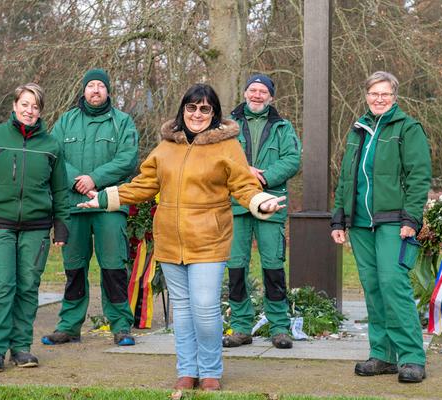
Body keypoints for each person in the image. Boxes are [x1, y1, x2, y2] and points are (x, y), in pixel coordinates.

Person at [77, 83, 286, 391]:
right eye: (192, 107)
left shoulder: (227, 146)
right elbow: (143, 185)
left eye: (205, 109)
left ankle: (211, 370)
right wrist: (106, 199)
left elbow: (244, 186)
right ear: (183, 110)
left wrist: (260, 202)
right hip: (171, 242)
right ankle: (187, 370)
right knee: (183, 312)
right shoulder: (166, 146)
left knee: (204, 309)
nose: (197, 114)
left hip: (209, 241)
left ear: (213, 113)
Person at [330, 71, 431, 383]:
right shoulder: (357, 129)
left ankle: (412, 358)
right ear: (366, 95)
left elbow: (418, 176)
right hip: (360, 223)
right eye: (374, 93)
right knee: (373, 288)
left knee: (393, 284)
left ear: (394, 96)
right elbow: (347, 177)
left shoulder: (407, 128)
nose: (379, 98)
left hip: (393, 222)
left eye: (385, 93)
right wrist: (339, 217)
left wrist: (411, 219)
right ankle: (383, 355)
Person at [0, 83, 70, 372]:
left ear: (41, 111)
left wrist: (61, 225)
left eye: (35, 106)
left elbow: (60, 190)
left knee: (27, 286)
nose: (29, 110)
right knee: (2, 285)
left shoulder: (52, 145)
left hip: (37, 228)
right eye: (24, 104)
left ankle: (21, 347)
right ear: (14, 105)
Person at [41, 69, 139, 347]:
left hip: (109, 206)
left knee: (113, 268)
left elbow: (128, 159)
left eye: (101, 86)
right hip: (74, 207)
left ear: (108, 91)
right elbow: (54, 155)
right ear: (83, 90)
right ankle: (69, 326)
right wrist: (77, 181)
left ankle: (121, 326)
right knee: (74, 270)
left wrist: (95, 178)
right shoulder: (66, 121)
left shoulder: (123, 122)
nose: (95, 90)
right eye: (91, 86)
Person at [222, 74, 301, 350]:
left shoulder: (282, 127)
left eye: (262, 91)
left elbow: (292, 159)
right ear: (245, 93)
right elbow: (219, 159)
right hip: (236, 204)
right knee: (235, 266)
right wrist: (244, 175)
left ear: (271, 97)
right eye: (252, 90)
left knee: (273, 266)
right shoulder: (227, 126)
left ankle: (279, 327)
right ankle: (242, 326)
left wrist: (261, 179)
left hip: (271, 202)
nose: (257, 95)